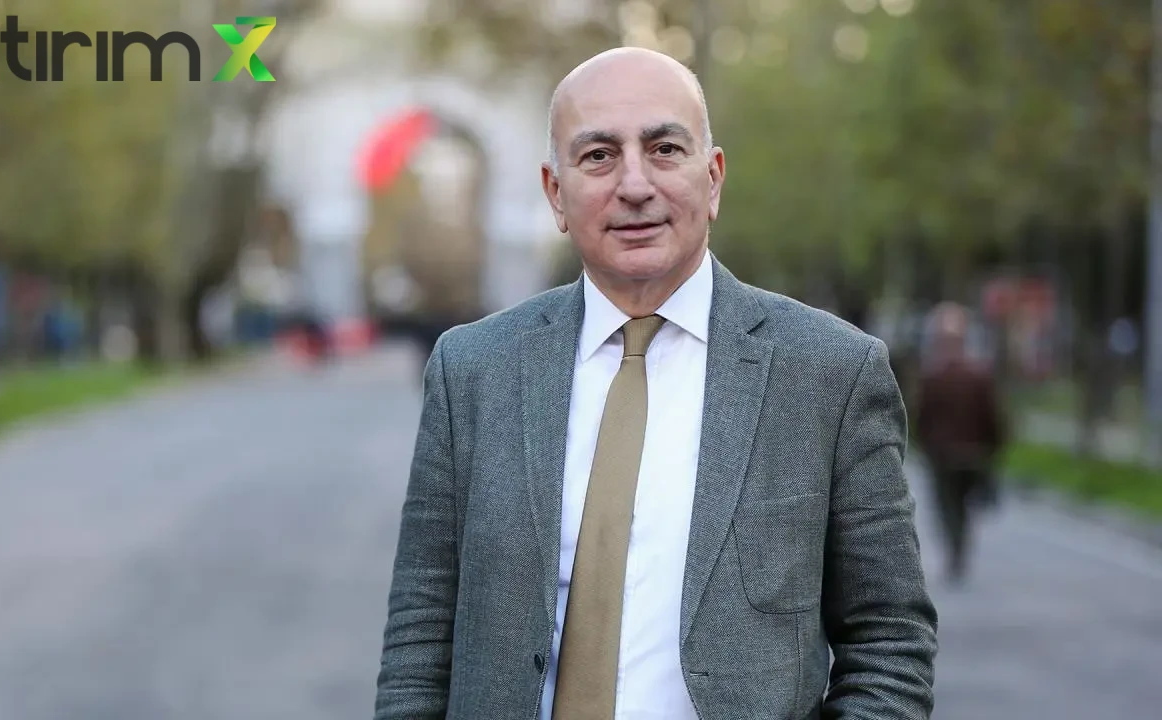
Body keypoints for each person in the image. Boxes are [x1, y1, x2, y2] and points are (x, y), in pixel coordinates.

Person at [375, 47, 937, 719]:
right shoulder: (472, 371)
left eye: (665, 149)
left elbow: (889, 641)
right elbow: (420, 638)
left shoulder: (829, 374)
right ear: (555, 193)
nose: (635, 185)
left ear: (714, 177)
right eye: (599, 156)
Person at [913, 302, 1008, 585]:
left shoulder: (932, 376)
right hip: (971, 453)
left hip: (943, 454)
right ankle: (959, 549)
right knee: (962, 505)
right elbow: (992, 416)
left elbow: (921, 416)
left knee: (948, 505)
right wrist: (993, 447)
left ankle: (955, 548)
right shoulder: (978, 375)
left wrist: (924, 443)